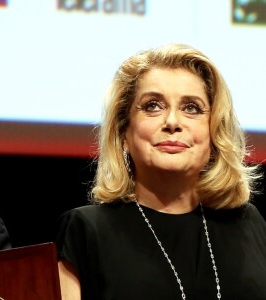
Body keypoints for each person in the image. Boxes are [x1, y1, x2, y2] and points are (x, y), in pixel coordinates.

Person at [55, 43, 266, 299]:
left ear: (213, 134)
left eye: (191, 108)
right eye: (153, 106)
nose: (173, 122)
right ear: (124, 132)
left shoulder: (249, 223)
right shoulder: (86, 229)